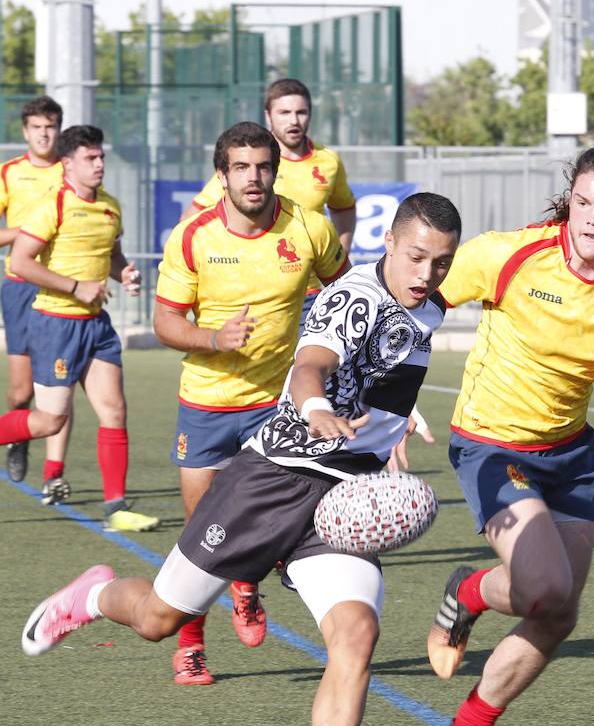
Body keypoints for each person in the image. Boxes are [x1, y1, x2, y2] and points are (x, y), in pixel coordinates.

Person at [21, 191, 461, 726]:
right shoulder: (354, 297)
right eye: (417, 255)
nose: (427, 272)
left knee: (356, 630)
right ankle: (93, 593)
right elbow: (313, 365)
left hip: (342, 502)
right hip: (273, 480)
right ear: (388, 244)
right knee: (158, 619)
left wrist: (397, 418)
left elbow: (383, 378)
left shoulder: (430, 304)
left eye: (442, 262)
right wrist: (313, 408)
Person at [426, 131, 594, 726]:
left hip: (568, 453)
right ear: (570, 203)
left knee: (558, 610)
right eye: (584, 203)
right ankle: (473, 590)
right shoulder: (511, 255)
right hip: (488, 440)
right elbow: (410, 307)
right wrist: (385, 411)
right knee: (545, 584)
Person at [155, 121, 349, 685]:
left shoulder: (309, 227)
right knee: (199, 534)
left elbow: (347, 293)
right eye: (241, 167)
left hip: (277, 403)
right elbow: (165, 321)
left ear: (275, 169)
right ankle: (191, 643)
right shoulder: (193, 236)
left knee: (287, 521)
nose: (255, 178)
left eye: (264, 166)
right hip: (208, 404)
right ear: (223, 176)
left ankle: (246, 583)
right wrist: (214, 339)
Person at [0, 125, 159, 533]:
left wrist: (125, 274)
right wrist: (75, 287)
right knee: (49, 421)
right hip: (55, 323)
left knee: (114, 411)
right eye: (91, 158)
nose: (100, 164)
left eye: (101, 156)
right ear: (68, 163)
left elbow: (112, 256)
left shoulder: (110, 206)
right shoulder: (51, 205)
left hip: (96, 325)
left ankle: (116, 509)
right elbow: (20, 262)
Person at [182, 77, 356, 324]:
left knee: (312, 362)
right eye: (284, 112)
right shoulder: (250, 163)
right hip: (257, 290)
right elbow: (192, 218)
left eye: (301, 112)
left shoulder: (328, 161)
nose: (294, 120)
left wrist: (339, 250)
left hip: (309, 292)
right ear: (268, 116)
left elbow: (344, 208)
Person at [0, 96, 73, 493]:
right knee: (22, 390)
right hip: (20, 288)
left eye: (51, 126)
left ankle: (54, 473)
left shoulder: (73, 171)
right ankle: (18, 433)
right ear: (25, 132)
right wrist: (27, 235)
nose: (45, 134)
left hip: (63, 292)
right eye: (37, 127)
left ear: (59, 129)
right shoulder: (10, 173)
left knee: (58, 381)